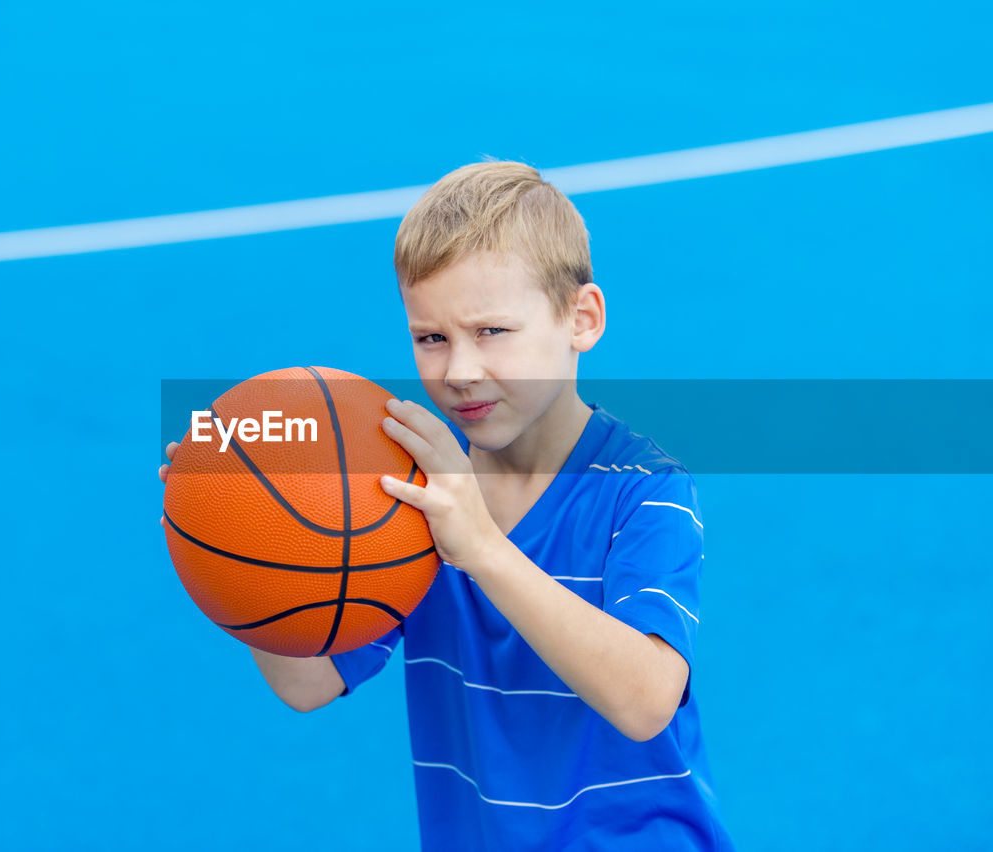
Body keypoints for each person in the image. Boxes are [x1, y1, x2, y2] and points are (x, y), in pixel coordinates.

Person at [159, 160, 735, 850]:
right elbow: (308, 683)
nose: (459, 370)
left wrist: (482, 547)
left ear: (581, 319)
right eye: (432, 338)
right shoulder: (408, 492)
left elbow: (645, 702)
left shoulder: (642, 489)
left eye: (492, 332)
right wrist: (228, 541)